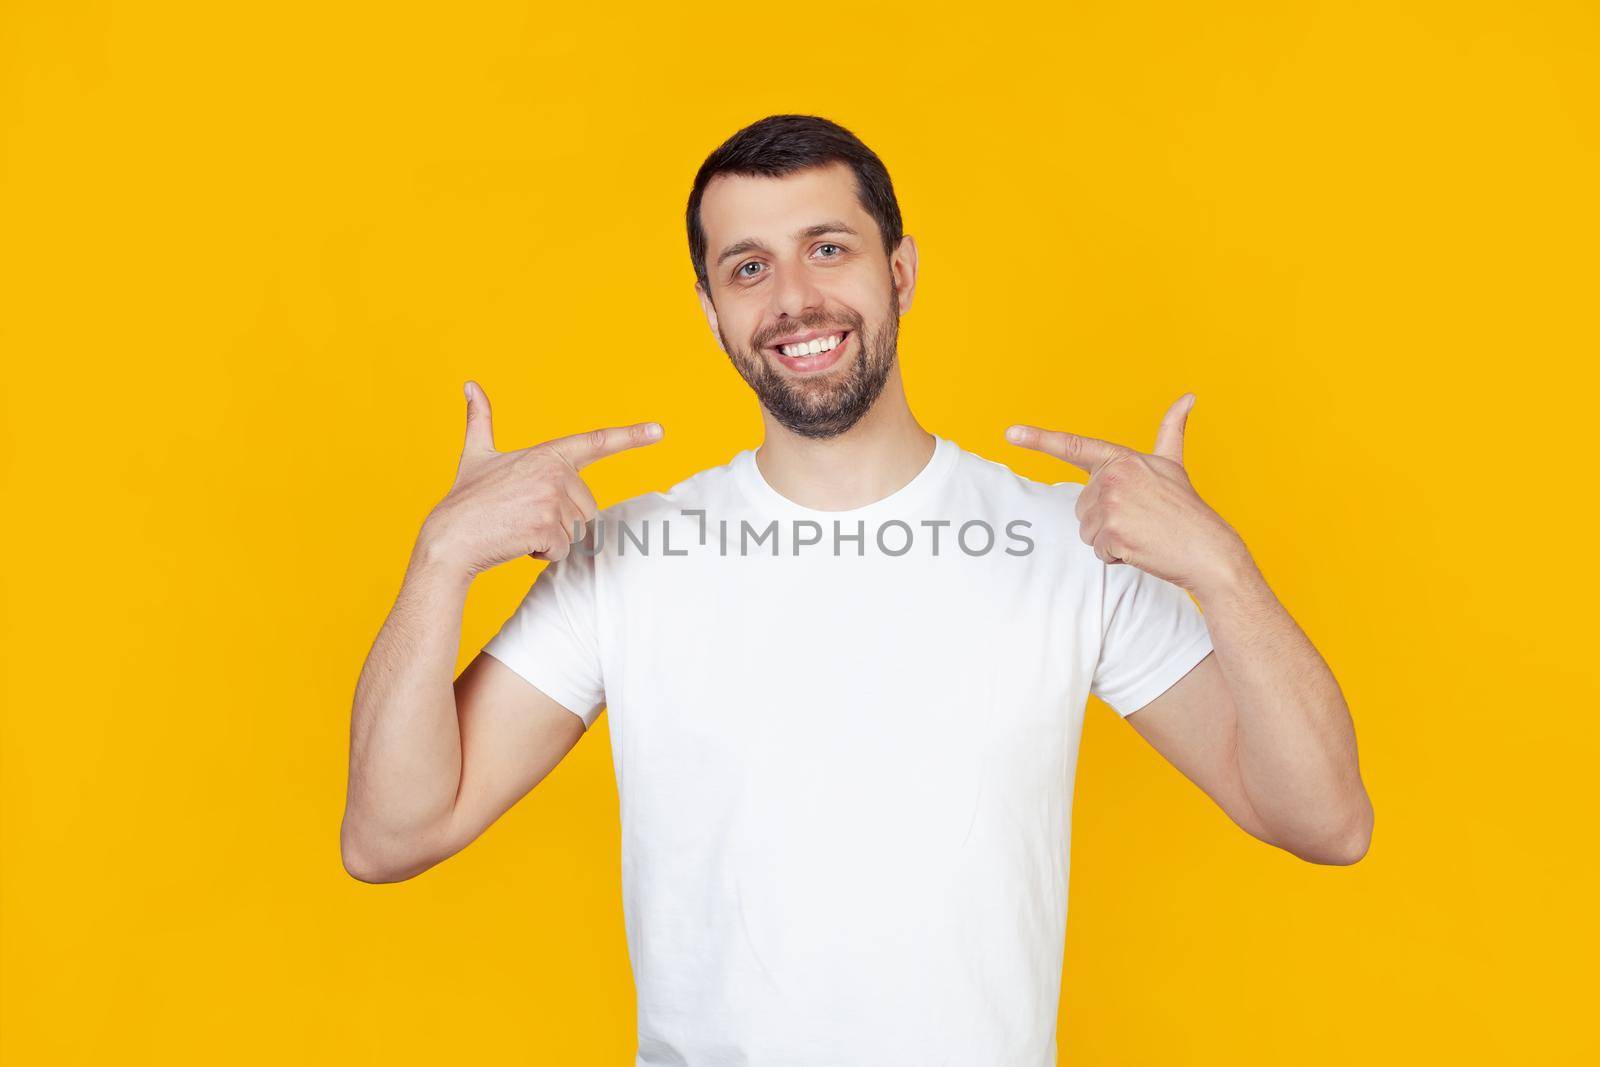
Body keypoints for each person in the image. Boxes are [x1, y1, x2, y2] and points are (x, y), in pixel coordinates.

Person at [341, 113, 1373, 1066]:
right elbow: (391, 834)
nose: (793, 295)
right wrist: (439, 558)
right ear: (710, 311)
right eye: (749, 266)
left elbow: (1324, 820)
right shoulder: (632, 558)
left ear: (901, 270)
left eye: (826, 246)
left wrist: (1220, 569)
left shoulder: (1067, 544)